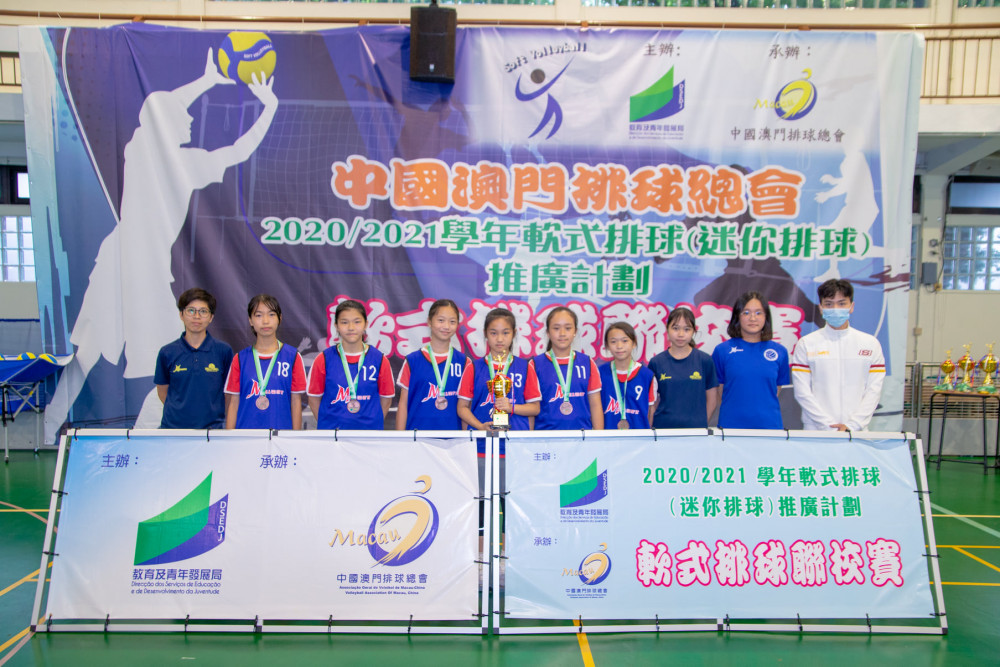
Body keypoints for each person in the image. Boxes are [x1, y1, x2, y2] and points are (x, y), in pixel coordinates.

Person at [46, 50, 278, 443]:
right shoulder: (141, 149)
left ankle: (136, 438)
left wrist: (269, 107)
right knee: (89, 352)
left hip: (145, 269)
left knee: (152, 358)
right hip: (120, 264)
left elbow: (238, 150)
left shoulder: (190, 164)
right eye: (182, 115)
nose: (190, 119)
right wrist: (205, 81)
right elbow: (158, 110)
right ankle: (58, 428)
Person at [791, 279, 886, 431]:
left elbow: (873, 390)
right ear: (821, 308)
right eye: (829, 304)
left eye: (842, 304)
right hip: (816, 430)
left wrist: (853, 425)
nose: (835, 309)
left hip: (856, 431)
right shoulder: (806, 344)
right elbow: (802, 392)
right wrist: (827, 425)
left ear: (851, 306)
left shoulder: (870, 344)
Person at [154, 288, 233, 429]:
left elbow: (229, 393)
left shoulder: (223, 351)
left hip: (211, 431)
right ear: (181, 314)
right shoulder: (167, 352)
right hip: (173, 430)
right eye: (191, 311)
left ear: (211, 317)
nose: (197, 316)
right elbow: (162, 391)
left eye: (203, 311)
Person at [308, 300, 394, 430]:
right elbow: (314, 400)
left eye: (357, 322)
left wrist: (371, 424)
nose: (351, 327)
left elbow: (386, 400)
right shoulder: (323, 359)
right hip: (333, 435)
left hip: (368, 436)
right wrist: (328, 426)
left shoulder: (380, 360)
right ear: (336, 326)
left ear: (366, 324)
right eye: (344, 322)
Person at [225, 294, 306, 430]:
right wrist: (229, 437)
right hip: (245, 435)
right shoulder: (240, 359)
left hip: (280, 435)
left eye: (271, 314)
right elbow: (234, 402)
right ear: (250, 320)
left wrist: (294, 438)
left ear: (280, 318)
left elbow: (296, 401)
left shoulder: (293, 357)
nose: (265, 321)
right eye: (258, 315)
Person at [712, 291, 790, 430]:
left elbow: (776, 390)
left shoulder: (780, 352)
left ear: (766, 317)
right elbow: (719, 391)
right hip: (731, 427)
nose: (753, 318)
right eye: (746, 312)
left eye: (758, 313)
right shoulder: (722, 351)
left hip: (769, 427)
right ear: (737, 316)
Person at [457, 308, 540, 431]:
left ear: (514, 333)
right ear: (485, 333)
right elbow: (462, 407)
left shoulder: (525, 367)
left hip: (515, 439)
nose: (500, 339)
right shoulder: (473, 367)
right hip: (483, 439)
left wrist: (511, 407)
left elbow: (535, 408)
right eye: (493, 333)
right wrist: (480, 426)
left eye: (505, 333)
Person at [396, 299, 469, 430]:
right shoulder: (412, 360)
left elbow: (466, 407)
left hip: (453, 437)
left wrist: (465, 438)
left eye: (452, 321)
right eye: (441, 320)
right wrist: (400, 437)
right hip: (417, 436)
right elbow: (403, 404)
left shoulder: (464, 362)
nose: (446, 326)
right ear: (429, 321)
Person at [532, 307, 603, 430]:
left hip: (582, 436)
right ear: (548, 332)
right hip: (546, 437)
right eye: (556, 328)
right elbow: (532, 408)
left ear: (575, 331)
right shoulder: (535, 365)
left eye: (568, 328)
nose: (562, 333)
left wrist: (598, 437)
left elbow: (595, 405)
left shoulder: (587, 363)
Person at [648, 307, 719, 429]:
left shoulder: (705, 361)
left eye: (687, 329)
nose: (681, 334)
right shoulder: (656, 362)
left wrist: (700, 426)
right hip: (663, 430)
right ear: (667, 329)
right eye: (675, 328)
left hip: (696, 432)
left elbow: (712, 400)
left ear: (693, 331)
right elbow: (651, 403)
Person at [598, 322, 655, 430]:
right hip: (608, 437)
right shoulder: (600, 373)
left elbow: (650, 411)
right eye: (613, 341)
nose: (619, 346)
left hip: (639, 438)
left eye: (625, 341)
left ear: (634, 343)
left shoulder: (647, 375)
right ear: (607, 346)